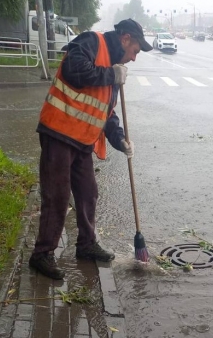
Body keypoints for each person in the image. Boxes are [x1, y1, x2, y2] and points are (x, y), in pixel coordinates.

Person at [29, 18, 153, 279]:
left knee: (88, 193)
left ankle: (86, 245)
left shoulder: (113, 67)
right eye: (135, 51)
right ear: (125, 38)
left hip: (82, 141)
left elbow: (106, 113)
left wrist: (120, 141)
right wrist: (112, 75)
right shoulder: (91, 42)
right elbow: (75, 70)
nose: (133, 59)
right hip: (59, 132)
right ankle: (42, 254)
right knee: (57, 196)